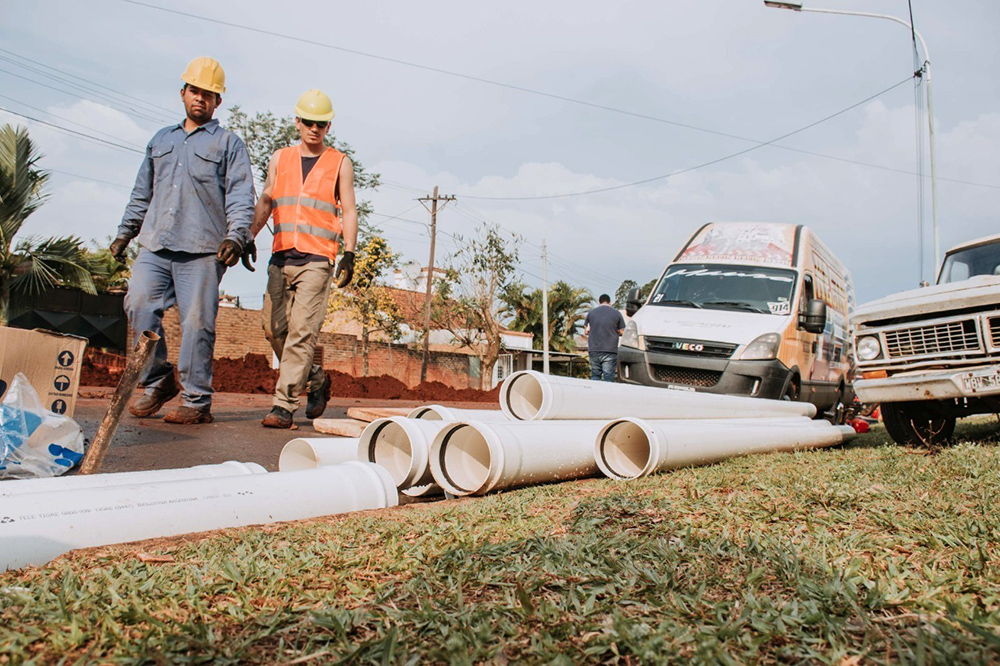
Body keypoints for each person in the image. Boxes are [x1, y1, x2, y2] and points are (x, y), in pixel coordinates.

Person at [111, 57, 255, 425]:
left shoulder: (229, 144)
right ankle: (157, 381)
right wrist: (125, 232)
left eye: (209, 94)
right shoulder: (161, 140)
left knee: (197, 324)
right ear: (183, 93)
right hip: (156, 245)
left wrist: (236, 238)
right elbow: (142, 192)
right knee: (138, 304)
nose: (200, 99)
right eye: (195, 91)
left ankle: (196, 400)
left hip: (204, 251)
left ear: (217, 101)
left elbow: (241, 197)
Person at [249, 89, 358, 429]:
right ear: (297, 122)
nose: (314, 129)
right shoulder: (280, 159)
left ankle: (284, 405)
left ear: (328, 126)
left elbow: (350, 209)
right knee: (273, 329)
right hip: (281, 255)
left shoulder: (340, 163)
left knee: (301, 331)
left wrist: (350, 253)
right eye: (309, 122)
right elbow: (267, 200)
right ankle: (315, 378)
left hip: (317, 259)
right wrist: (246, 237)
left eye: (321, 124)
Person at [584, 294, 625, 382]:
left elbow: (586, 331)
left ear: (599, 302)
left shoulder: (591, 313)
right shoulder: (617, 313)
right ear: (610, 302)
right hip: (610, 349)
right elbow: (622, 332)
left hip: (594, 349)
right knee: (608, 377)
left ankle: (595, 394)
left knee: (595, 375)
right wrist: (615, 332)